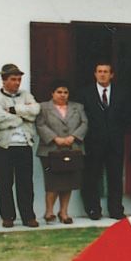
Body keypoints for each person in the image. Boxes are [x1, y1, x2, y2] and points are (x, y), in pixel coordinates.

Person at [0, 63, 40, 228]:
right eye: (13, 79)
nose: (17, 82)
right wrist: (21, 116)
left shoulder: (26, 95)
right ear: (4, 80)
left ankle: (28, 216)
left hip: (24, 144)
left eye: (19, 79)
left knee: (26, 183)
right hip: (4, 146)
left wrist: (12, 109)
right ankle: (8, 216)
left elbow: (36, 111)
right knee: (5, 182)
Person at [80, 61, 128, 220]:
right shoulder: (85, 93)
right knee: (92, 177)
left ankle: (116, 210)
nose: (102, 74)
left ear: (111, 74)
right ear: (95, 74)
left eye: (106, 71)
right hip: (93, 142)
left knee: (115, 177)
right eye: (99, 71)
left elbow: (126, 117)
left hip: (115, 142)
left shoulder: (122, 93)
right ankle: (93, 210)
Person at [36, 84, 88, 224]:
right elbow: (40, 124)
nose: (62, 95)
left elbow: (84, 123)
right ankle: (49, 211)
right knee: (52, 182)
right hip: (50, 149)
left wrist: (73, 137)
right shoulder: (43, 107)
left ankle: (64, 212)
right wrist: (55, 138)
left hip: (72, 147)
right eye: (59, 92)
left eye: (65, 92)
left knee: (68, 182)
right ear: (52, 93)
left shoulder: (78, 107)